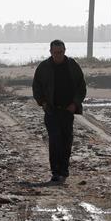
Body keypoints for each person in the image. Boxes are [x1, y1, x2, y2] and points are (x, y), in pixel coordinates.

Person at [32, 40, 87, 185]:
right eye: (55, 52)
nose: (58, 55)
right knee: (55, 140)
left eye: (61, 52)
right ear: (50, 52)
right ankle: (55, 172)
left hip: (68, 111)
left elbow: (81, 86)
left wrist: (75, 104)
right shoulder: (44, 67)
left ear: (65, 50)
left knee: (66, 141)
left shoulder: (72, 65)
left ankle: (64, 170)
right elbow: (36, 87)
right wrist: (43, 102)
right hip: (51, 111)